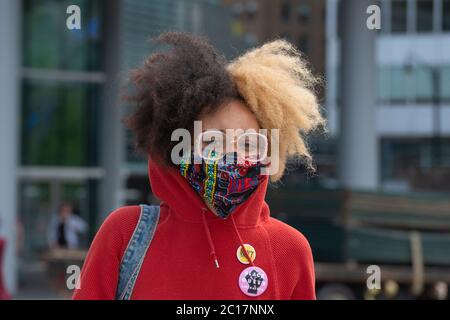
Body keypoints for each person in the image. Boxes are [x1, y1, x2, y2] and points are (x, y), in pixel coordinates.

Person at [73, 32, 325, 300]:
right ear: (176, 149)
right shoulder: (124, 233)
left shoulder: (289, 249)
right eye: (213, 142)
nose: (233, 155)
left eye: (250, 145)